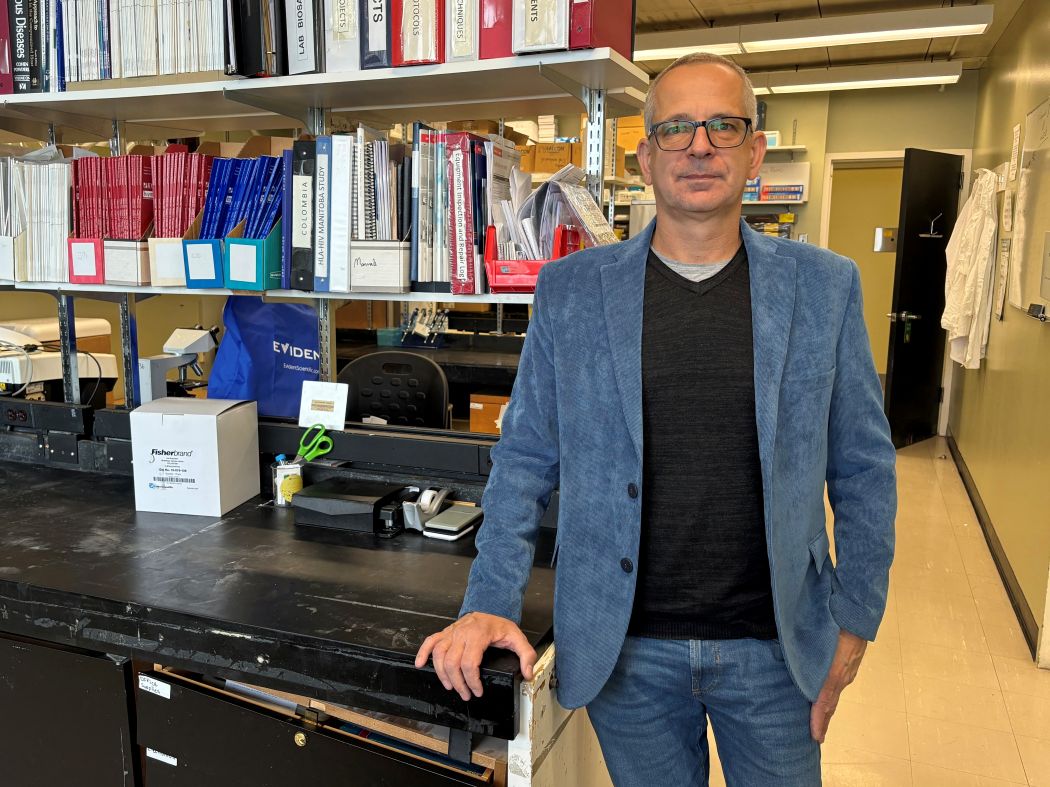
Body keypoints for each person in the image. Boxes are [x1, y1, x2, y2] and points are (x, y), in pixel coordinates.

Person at [415, 52, 896, 786]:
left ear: (755, 150)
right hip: (626, 657)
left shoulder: (824, 289)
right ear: (645, 157)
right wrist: (486, 601)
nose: (699, 146)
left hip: (776, 653)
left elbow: (864, 466)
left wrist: (857, 620)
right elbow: (523, 463)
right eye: (675, 128)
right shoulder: (571, 292)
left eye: (723, 126)